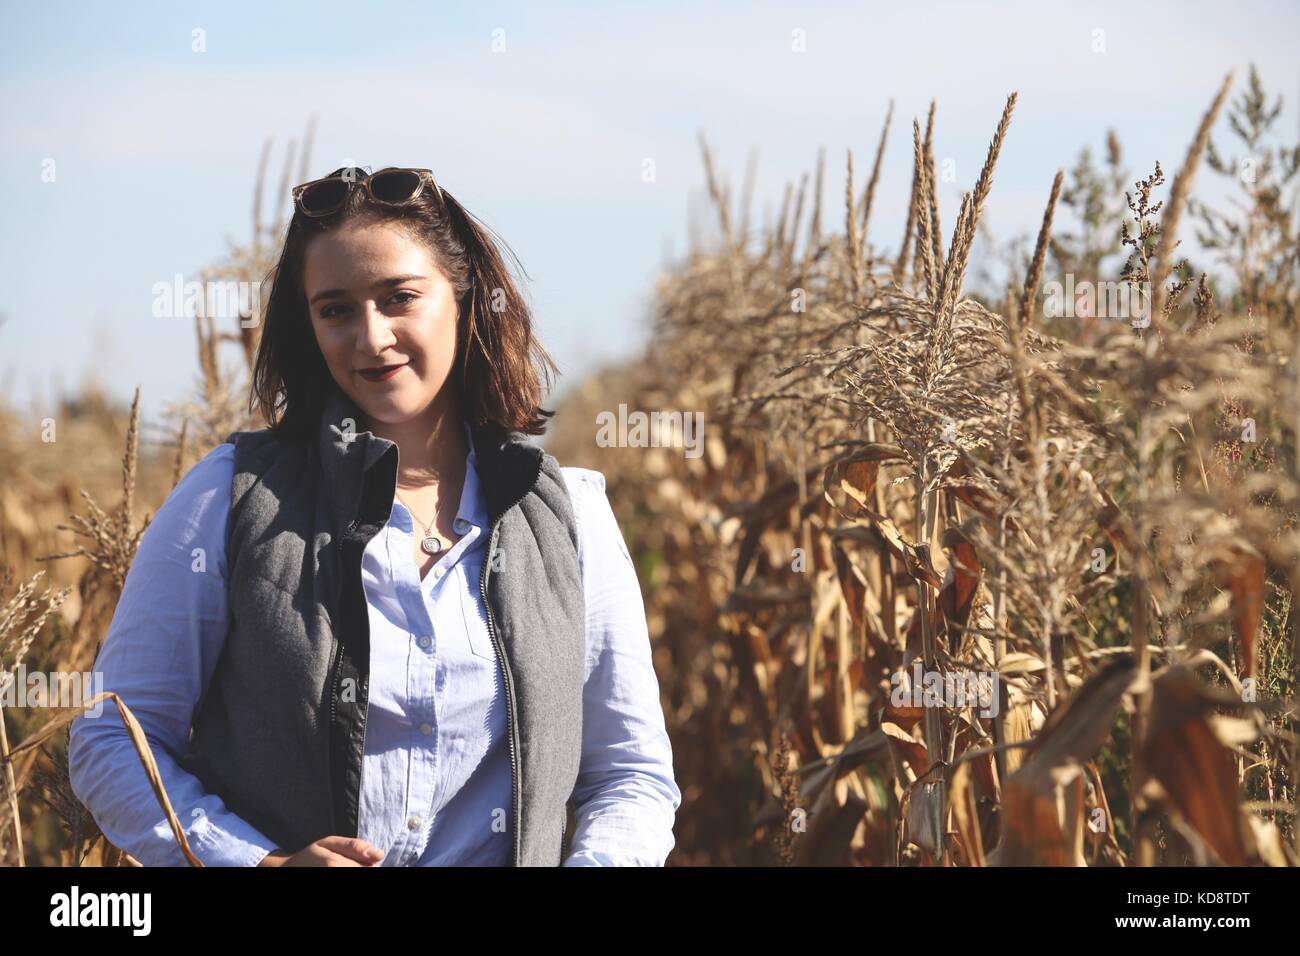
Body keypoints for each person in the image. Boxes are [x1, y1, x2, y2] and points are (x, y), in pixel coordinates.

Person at [68, 166, 680, 866]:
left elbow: (630, 774)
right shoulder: (230, 498)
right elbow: (112, 734)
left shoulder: (569, 516)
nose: (371, 336)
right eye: (335, 309)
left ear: (465, 299)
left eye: (400, 298)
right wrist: (255, 864)